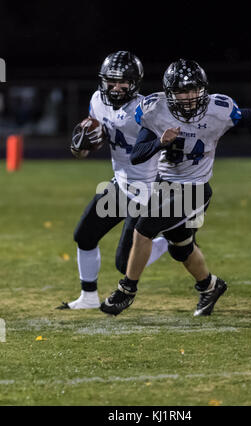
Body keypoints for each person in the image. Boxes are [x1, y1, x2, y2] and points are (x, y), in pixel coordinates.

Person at [100, 58, 251, 317]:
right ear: (169, 93)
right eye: (180, 91)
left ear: (203, 89)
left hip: (195, 188)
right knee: (179, 248)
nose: (187, 97)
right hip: (160, 184)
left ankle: (127, 291)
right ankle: (210, 286)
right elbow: (138, 155)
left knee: (146, 228)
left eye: (192, 90)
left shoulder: (218, 109)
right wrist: (160, 143)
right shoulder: (155, 111)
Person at [57, 51, 168, 310]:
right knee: (84, 235)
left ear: (135, 83)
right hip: (120, 184)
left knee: (124, 263)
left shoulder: (146, 110)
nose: (116, 87)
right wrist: (81, 147)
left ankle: (167, 243)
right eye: (111, 81)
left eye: (123, 82)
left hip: (148, 189)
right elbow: (90, 144)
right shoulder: (97, 100)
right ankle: (88, 297)